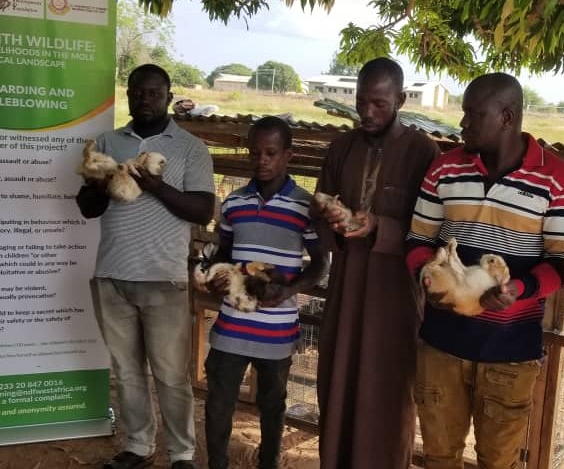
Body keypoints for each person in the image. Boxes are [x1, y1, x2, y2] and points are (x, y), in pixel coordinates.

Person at [405, 73, 564, 468]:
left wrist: (518, 290)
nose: (463, 123)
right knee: (438, 458)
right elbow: (417, 241)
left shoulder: (557, 179)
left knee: (499, 462)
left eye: (473, 114)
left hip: (510, 351)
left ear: (507, 116)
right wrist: (429, 279)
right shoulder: (445, 169)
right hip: (442, 343)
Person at [76, 64, 215, 469]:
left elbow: (203, 210)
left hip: (163, 278)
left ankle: (182, 454)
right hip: (112, 276)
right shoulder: (107, 141)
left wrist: (155, 186)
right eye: (137, 91)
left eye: (154, 93)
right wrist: (103, 183)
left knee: (171, 376)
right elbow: (86, 209)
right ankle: (139, 446)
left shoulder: (190, 148)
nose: (144, 99)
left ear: (168, 97)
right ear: (129, 95)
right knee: (126, 371)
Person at [312, 57, 440, 469]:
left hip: (395, 298)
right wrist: (333, 218)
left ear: (400, 100)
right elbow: (319, 208)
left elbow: (433, 229)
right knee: (338, 383)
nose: (367, 112)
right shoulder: (341, 147)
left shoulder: (423, 151)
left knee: (387, 394)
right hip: (347, 288)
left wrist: (379, 226)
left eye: (380, 104)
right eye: (361, 101)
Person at [200, 116, 327, 469]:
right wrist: (215, 274)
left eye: (271, 152)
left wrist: (289, 290)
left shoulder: (305, 207)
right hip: (231, 325)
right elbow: (222, 251)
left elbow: (320, 264)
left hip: (277, 329)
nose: (262, 160)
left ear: (289, 155)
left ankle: (268, 462)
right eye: (255, 152)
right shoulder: (235, 203)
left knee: (273, 404)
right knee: (219, 402)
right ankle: (218, 464)